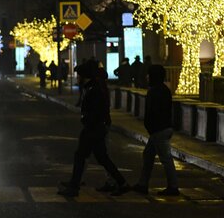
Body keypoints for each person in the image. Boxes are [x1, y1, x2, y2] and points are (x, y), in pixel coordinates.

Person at [58, 61, 128, 197]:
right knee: (102, 158)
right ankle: (122, 183)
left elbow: (95, 111)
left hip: (93, 128)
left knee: (80, 156)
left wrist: (88, 123)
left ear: (85, 77)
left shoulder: (94, 90)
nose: (77, 78)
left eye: (79, 75)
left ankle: (74, 187)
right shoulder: (91, 88)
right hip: (96, 128)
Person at [134, 64, 179, 196]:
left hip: (159, 129)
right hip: (161, 128)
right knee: (148, 155)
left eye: (149, 75)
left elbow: (153, 112)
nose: (147, 77)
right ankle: (143, 184)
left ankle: (173, 186)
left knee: (165, 158)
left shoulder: (154, 91)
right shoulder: (164, 89)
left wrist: (150, 127)